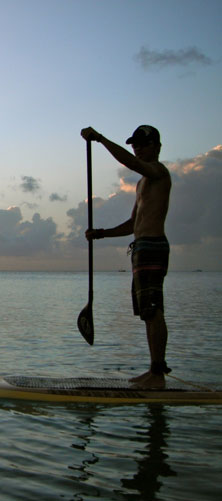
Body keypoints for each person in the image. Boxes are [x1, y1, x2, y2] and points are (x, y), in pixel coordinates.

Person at [81, 125, 172, 389]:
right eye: (136, 145)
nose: (139, 149)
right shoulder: (143, 183)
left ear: (157, 147)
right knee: (147, 312)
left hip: (153, 246)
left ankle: (157, 375)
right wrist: (101, 234)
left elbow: (128, 161)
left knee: (153, 310)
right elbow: (133, 223)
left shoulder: (158, 172)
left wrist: (99, 139)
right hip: (141, 247)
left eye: (144, 144)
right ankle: (154, 370)